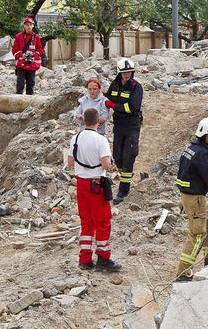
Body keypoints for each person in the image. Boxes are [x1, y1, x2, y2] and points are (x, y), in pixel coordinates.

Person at [67, 108, 121, 272]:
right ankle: (103, 258)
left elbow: (70, 162)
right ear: (98, 121)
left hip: (81, 183)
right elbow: (106, 164)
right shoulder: (101, 140)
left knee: (86, 221)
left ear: (84, 120)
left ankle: (85, 259)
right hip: (96, 184)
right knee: (103, 221)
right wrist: (110, 163)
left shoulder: (75, 138)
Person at [175, 117, 208, 281]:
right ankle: (183, 273)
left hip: (191, 196)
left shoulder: (191, 149)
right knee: (198, 234)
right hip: (195, 198)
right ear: (203, 134)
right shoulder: (201, 154)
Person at [104, 58, 143, 204]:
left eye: (129, 72)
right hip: (119, 125)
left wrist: (114, 106)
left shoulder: (136, 87)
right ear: (119, 72)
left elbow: (132, 107)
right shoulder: (114, 85)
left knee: (129, 156)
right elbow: (106, 99)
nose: (127, 75)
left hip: (132, 125)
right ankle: (125, 176)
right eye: (124, 72)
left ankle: (123, 190)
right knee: (117, 157)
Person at [12, 17, 44, 95]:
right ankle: (18, 100)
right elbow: (14, 50)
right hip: (21, 64)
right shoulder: (18, 36)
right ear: (24, 26)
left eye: (30, 24)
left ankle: (29, 100)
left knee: (30, 84)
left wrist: (35, 55)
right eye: (27, 25)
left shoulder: (36, 37)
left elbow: (40, 49)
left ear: (33, 26)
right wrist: (21, 54)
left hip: (31, 64)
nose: (29, 26)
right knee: (20, 84)